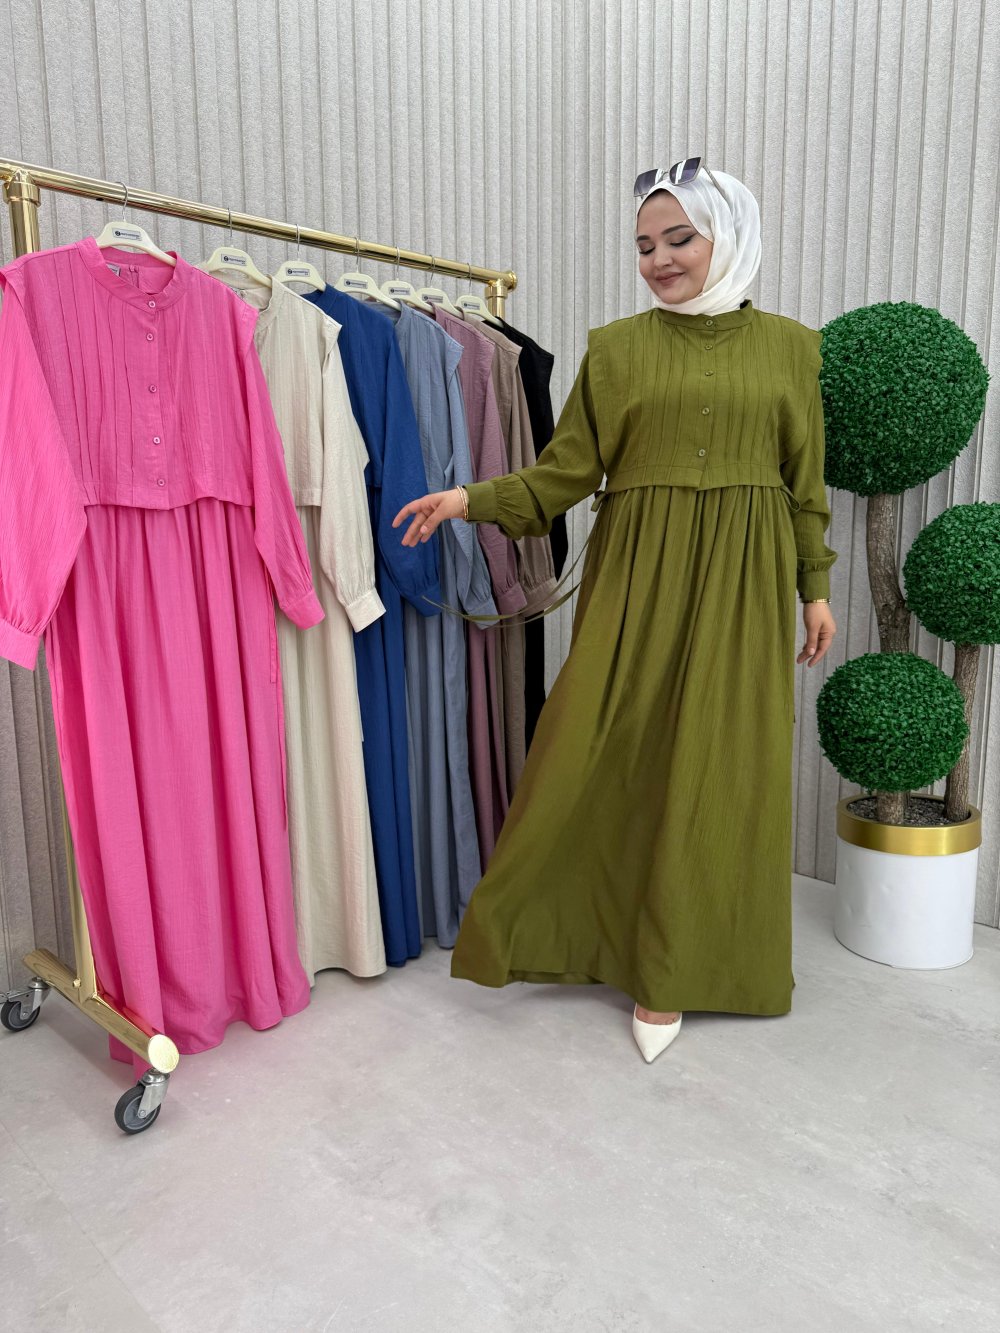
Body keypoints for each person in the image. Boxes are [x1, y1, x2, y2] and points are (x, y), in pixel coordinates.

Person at [393, 157, 837, 1063]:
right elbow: (565, 473)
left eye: (679, 239)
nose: (659, 260)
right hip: (635, 577)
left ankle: (677, 965)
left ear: (729, 237)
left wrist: (816, 589)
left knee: (719, 761)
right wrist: (471, 499)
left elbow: (805, 485)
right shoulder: (616, 349)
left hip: (744, 583)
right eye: (643, 245)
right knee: (596, 743)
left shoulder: (794, 348)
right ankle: (564, 931)